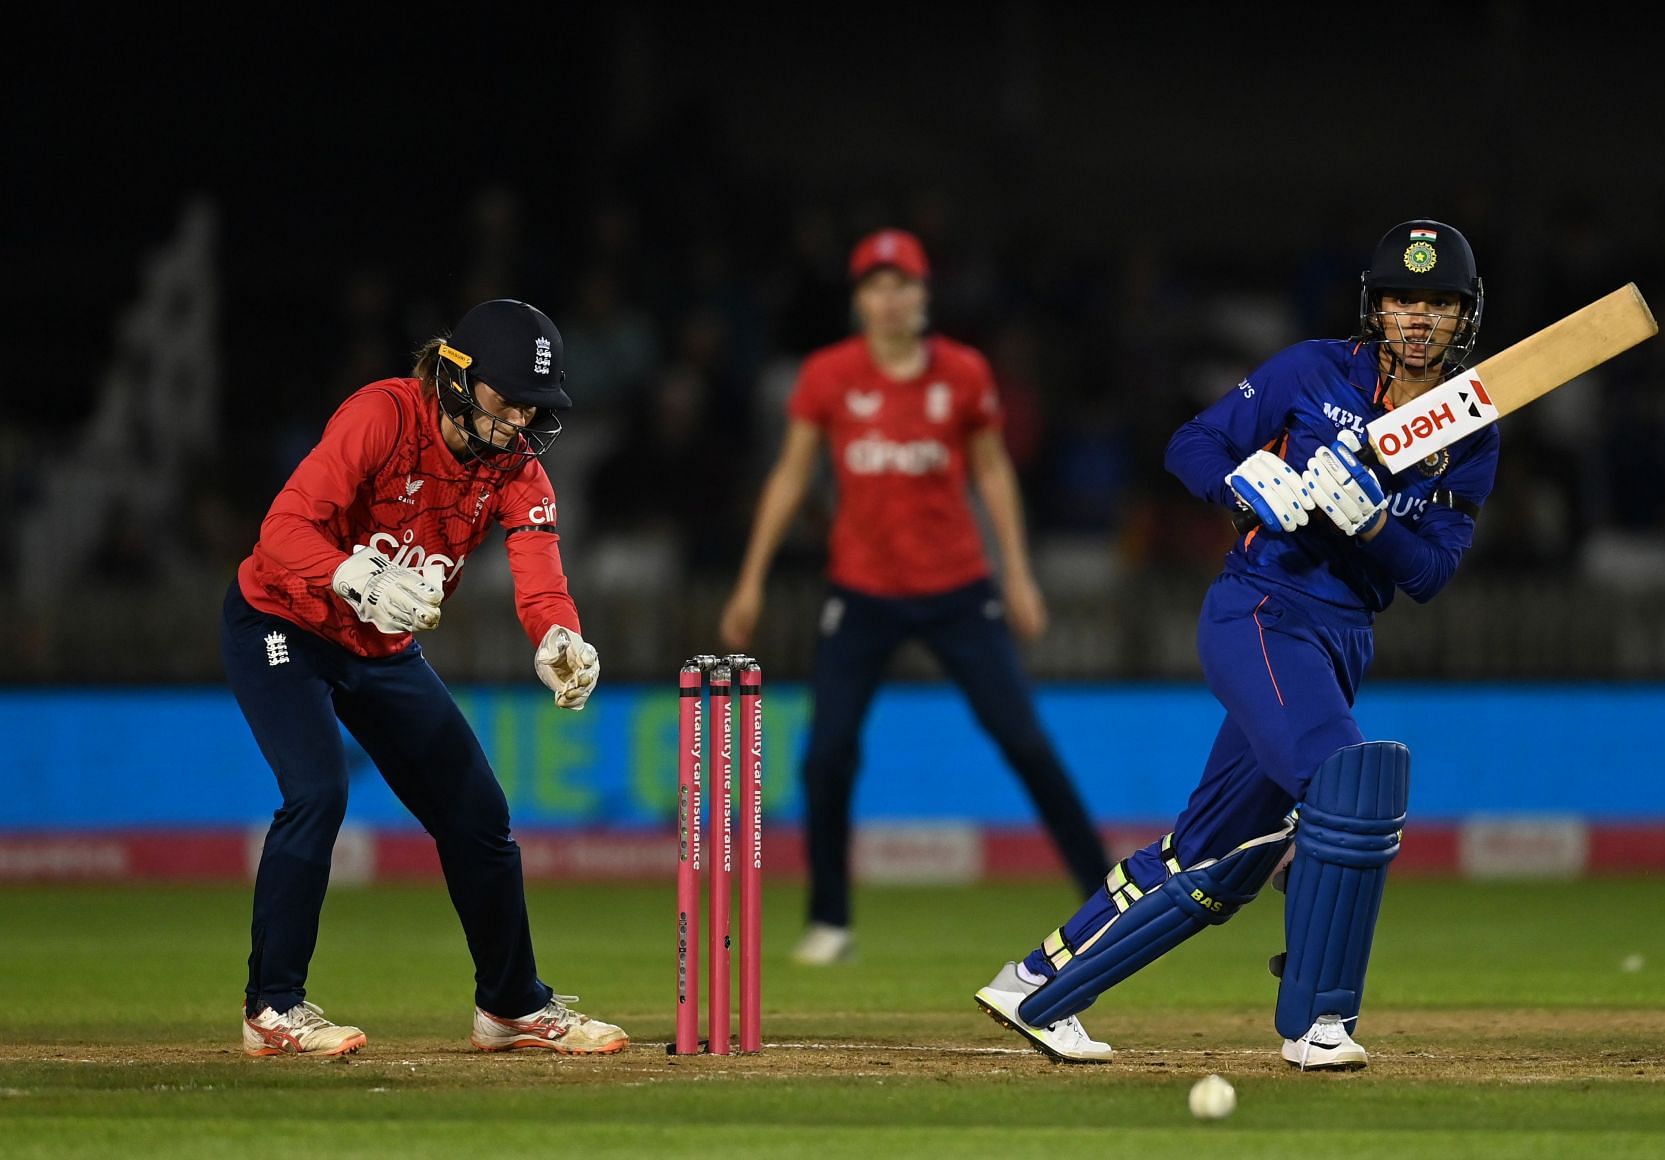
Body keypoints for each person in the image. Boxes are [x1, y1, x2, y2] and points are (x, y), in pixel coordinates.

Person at [974, 219, 1499, 1068]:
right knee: (1349, 790)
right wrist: (1245, 482)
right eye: (1404, 297)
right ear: (1378, 305)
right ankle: (1320, 1021)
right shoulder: (1312, 369)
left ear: (1464, 317)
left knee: (1206, 851)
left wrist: (1369, 522)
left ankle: (1035, 984)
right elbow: (1194, 443)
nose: (1418, 317)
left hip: (1339, 639)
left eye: (1439, 302)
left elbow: (1432, 572)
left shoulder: (1470, 430)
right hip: (1258, 612)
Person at [220, 299, 628, 1057]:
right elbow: (281, 533)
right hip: (282, 623)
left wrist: (560, 637)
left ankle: (509, 1004)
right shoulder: (382, 417)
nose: (519, 427)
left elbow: (539, 581)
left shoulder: (518, 470)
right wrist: (351, 574)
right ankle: (271, 1008)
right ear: (455, 378)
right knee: (317, 793)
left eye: (533, 410)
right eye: (507, 405)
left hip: (380, 650)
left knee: (479, 814)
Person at [718, 227, 1110, 966]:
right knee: (826, 755)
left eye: (904, 285)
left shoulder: (962, 373)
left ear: (925, 296)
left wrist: (1018, 574)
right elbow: (791, 477)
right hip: (861, 592)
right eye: (876, 286)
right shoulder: (828, 376)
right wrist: (750, 582)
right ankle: (830, 921)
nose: (891, 299)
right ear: (859, 300)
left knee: (1024, 740)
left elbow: (993, 472)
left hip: (959, 588)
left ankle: (1106, 895)